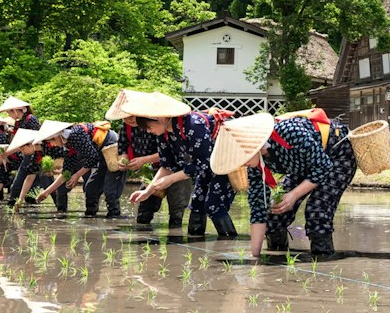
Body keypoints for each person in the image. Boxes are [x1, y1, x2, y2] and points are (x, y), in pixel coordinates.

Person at [210, 110, 355, 259]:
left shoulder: (291, 133)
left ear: (254, 146)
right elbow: (258, 207)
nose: (242, 162)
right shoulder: (254, 164)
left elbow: (324, 166)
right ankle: (276, 258)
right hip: (303, 163)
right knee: (274, 215)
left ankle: (324, 262)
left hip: (337, 155)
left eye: (242, 156)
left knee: (317, 212)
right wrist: (255, 258)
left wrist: (293, 195)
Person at [123, 92, 239, 239]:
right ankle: (196, 249)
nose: (148, 131)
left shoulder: (194, 124)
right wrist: (148, 192)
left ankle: (229, 244)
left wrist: (171, 179)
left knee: (213, 206)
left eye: (149, 126)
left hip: (224, 163)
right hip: (204, 169)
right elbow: (167, 166)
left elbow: (203, 163)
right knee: (197, 205)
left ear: (161, 118)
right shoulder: (163, 134)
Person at [105, 89, 188, 229]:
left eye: (131, 116)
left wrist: (143, 160)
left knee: (176, 206)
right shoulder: (127, 126)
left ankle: (175, 242)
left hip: (178, 168)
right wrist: (124, 159)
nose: (128, 120)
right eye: (124, 117)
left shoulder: (159, 124)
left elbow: (171, 153)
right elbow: (123, 146)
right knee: (145, 208)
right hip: (154, 170)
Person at [0, 96, 42, 205]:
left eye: (9, 112)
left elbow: (34, 139)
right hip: (26, 154)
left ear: (16, 110)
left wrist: (7, 153)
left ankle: (15, 205)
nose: (9, 115)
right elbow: (18, 141)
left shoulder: (31, 119)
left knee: (24, 185)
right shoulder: (18, 123)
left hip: (35, 153)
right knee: (24, 185)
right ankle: (18, 207)